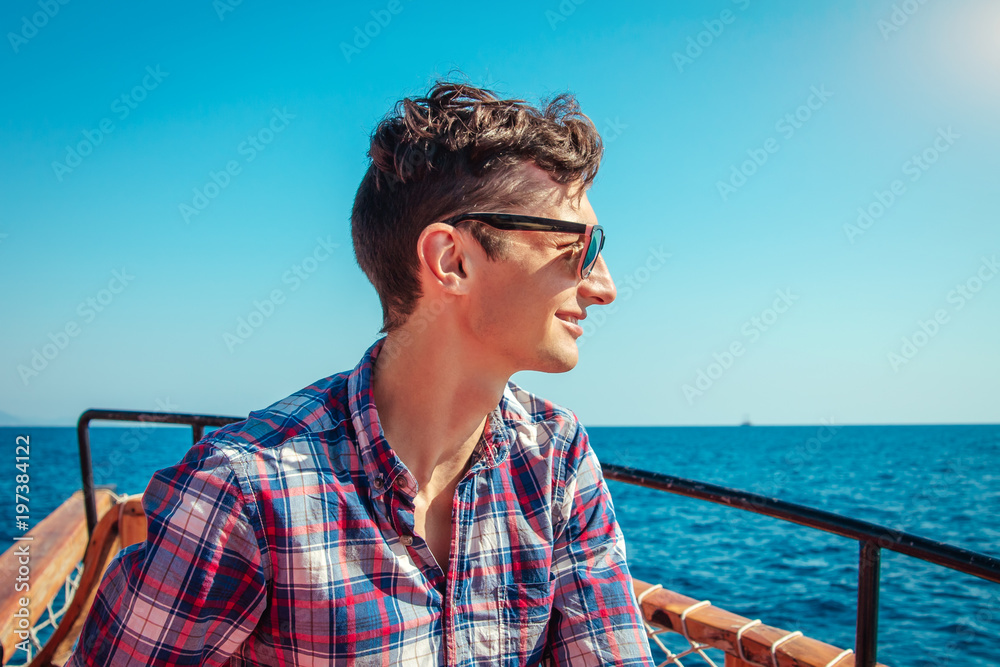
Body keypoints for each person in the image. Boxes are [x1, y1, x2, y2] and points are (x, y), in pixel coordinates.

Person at [68, 80, 655, 666]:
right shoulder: (243, 494)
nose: (605, 287)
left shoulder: (556, 459)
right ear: (452, 260)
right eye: (579, 245)